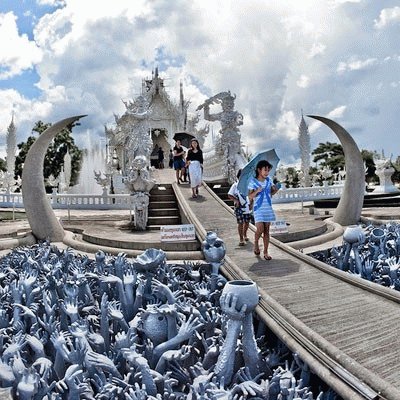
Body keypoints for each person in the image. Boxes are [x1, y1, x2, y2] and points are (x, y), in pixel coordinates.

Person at [248, 160, 280, 260]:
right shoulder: (253, 181)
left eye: (268, 170)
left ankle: (266, 252)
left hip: (268, 208)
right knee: (260, 229)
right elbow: (250, 196)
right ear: (259, 170)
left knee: (266, 231)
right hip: (258, 209)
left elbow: (271, 193)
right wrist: (257, 190)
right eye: (265, 170)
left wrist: (276, 188)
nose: (267, 172)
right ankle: (256, 242)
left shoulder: (269, 180)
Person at [228, 169, 251, 246]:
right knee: (240, 222)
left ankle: (245, 234)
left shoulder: (247, 185)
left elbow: (250, 195)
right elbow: (230, 195)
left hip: (246, 206)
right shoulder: (235, 185)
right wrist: (235, 200)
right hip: (239, 207)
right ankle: (241, 238)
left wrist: (251, 203)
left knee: (247, 222)